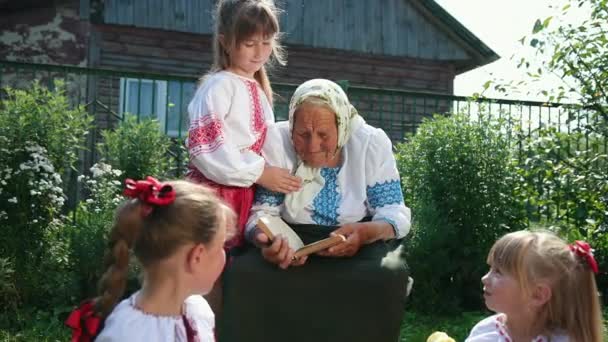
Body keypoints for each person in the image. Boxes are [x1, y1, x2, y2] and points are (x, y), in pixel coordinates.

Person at [220, 79, 412, 342]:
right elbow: (262, 212)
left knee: (388, 276)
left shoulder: (370, 143)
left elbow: (393, 212)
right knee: (244, 273)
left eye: (323, 135)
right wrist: (268, 241)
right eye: (303, 134)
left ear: (341, 126)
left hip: (356, 240)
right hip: (291, 239)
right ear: (291, 127)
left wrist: (365, 234)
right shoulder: (276, 139)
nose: (312, 146)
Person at [186, 0, 300, 251]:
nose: (259, 53)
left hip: (244, 195)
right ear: (225, 42)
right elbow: (205, 147)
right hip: (216, 195)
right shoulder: (218, 86)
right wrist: (259, 173)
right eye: (249, 44)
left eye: (267, 42)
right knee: (208, 262)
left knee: (230, 267)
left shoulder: (257, 89)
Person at [65, 177, 232, 342]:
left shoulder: (197, 310)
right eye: (221, 246)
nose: (224, 255)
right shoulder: (128, 334)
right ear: (197, 256)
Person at [466, 230, 603, 342]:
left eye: (498, 272)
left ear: (538, 295)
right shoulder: (484, 332)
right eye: (491, 268)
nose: (485, 279)